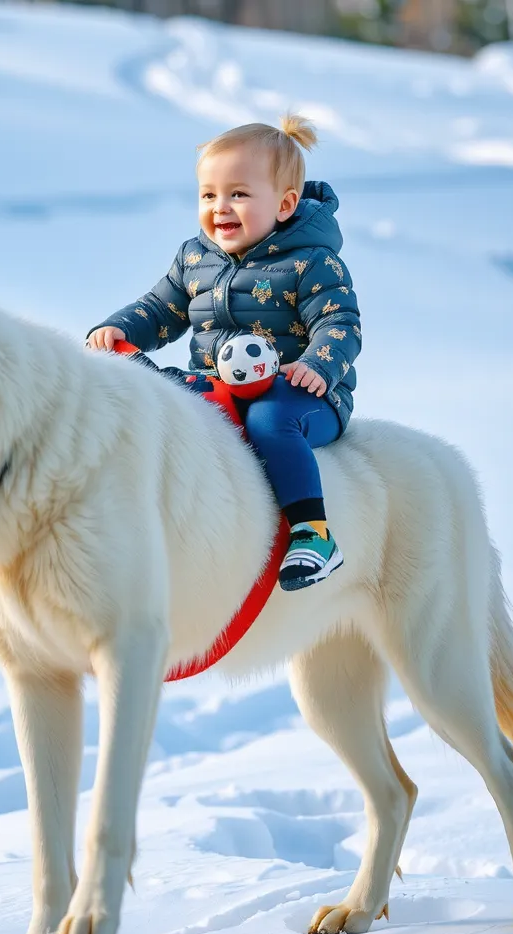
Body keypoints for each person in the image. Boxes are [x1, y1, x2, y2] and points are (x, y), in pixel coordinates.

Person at [87, 116, 362, 591]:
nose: (220, 207)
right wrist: (118, 328)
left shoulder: (312, 261)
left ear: (285, 203)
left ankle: (312, 533)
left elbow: (340, 323)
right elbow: (160, 309)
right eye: (209, 195)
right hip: (219, 385)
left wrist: (317, 365)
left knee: (267, 423)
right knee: (159, 396)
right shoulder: (196, 258)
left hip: (299, 395)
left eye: (238, 194)